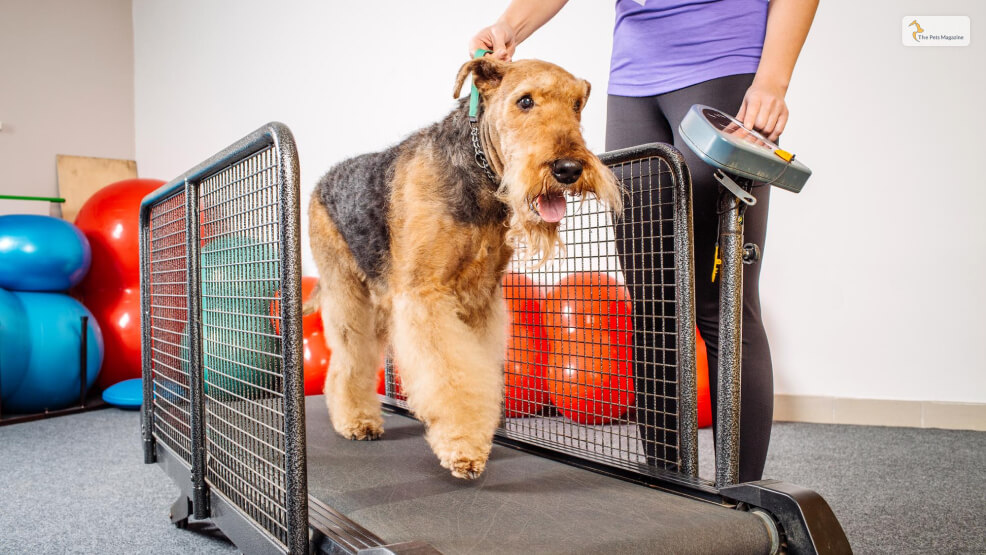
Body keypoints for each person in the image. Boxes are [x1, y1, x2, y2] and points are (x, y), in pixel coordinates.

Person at [470, 0, 817, 482]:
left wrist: (773, 80)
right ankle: (667, 483)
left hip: (725, 61)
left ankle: (742, 497)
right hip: (634, 80)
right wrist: (509, 24)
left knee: (723, 304)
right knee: (653, 302)